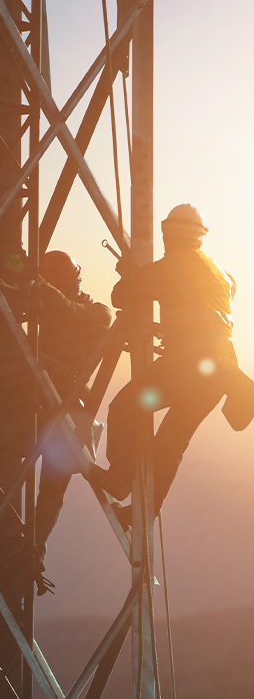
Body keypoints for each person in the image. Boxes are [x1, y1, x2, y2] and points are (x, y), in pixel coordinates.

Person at [93, 203, 242, 526]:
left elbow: (121, 296)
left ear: (167, 233)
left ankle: (120, 478)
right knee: (171, 446)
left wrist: (131, 273)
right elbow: (209, 311)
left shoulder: (167, 267)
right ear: (200, 237)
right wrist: (173, 328)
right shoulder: (220, 271)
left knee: (125, 407)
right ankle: (140, 515)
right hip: (222, 368)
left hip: (189, 364)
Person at [31, 251, 111, 589]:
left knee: (52, 486)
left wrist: (41, 289)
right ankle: (13, 543)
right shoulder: (43, 313)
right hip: (33, 403)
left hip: (67, 409)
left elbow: (76, 315)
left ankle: (32, 549)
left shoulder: (96, 313)